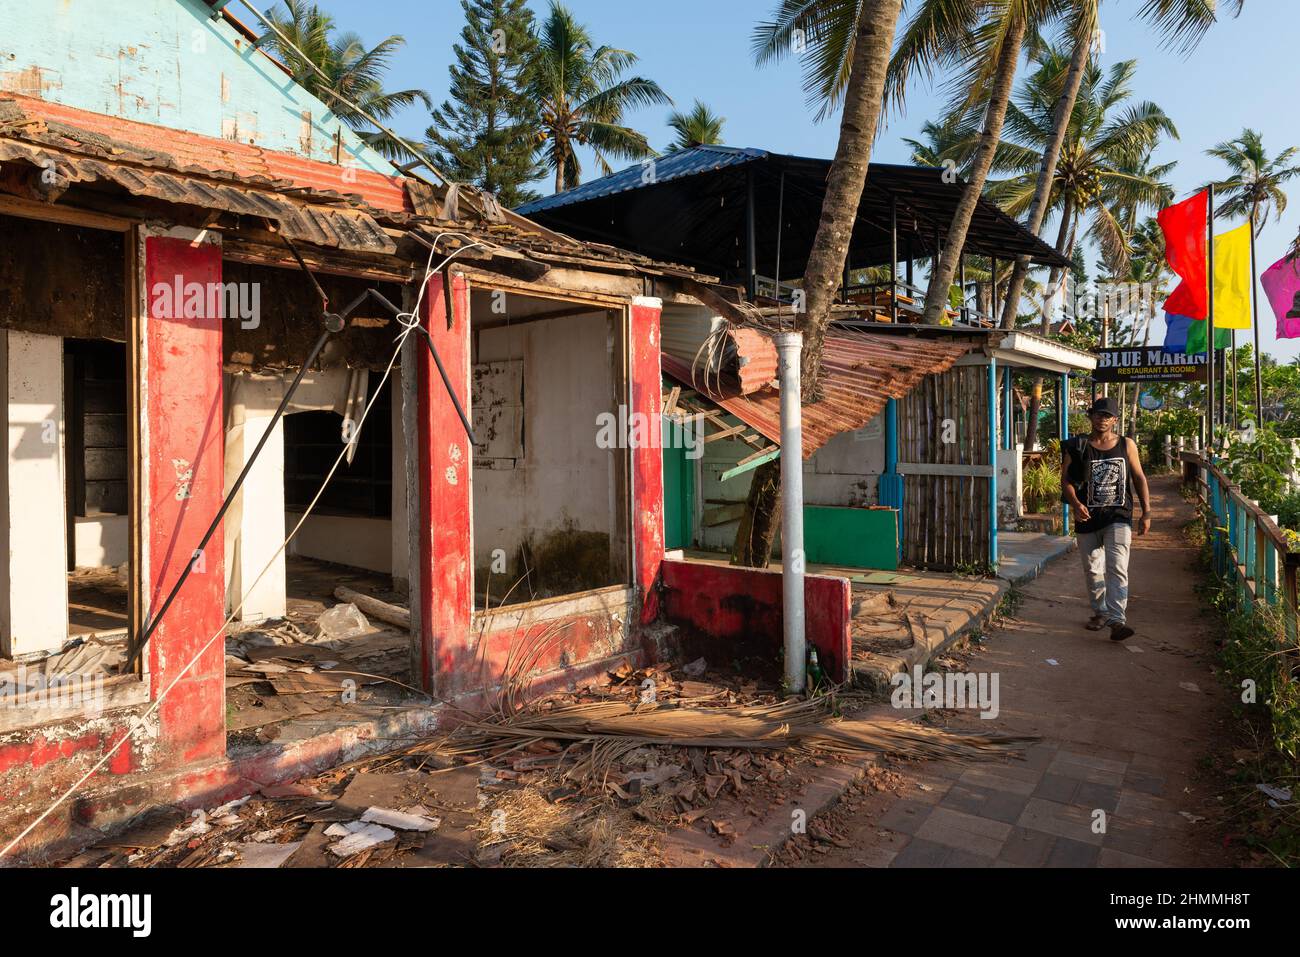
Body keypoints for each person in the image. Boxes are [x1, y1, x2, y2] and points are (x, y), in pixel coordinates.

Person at [1059, 396, 1150, 642]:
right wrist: (1076, 504)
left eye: (1107, 416)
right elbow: (1065, 480)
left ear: (1115, 420)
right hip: (1087, 517)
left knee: (1117, 567)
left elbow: (1139, 478)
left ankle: (1117, 619)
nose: (1102, 419)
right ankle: (1100, 612)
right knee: (1092, 569)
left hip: (1118, 517)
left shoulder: (1127, 445)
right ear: (1091, 416)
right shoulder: (1077, 445)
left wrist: (1146, 512)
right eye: (1098, 414)